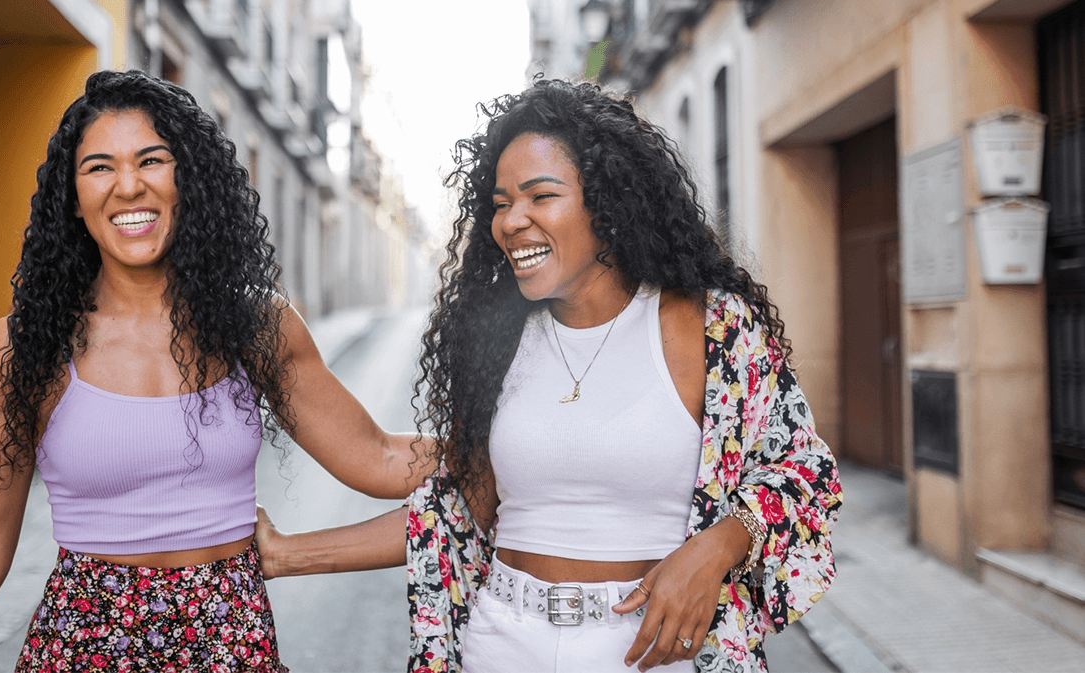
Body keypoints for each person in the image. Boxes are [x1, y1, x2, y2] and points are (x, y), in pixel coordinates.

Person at [255, 79, 842, 673]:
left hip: (655, 652)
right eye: (501, 202)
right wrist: (284, 555)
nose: (512, 221)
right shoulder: (499, 342)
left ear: (608, 204)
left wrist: (717, 548)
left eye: (541, 196)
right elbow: (455, 510)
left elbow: (804, 469)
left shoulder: (707, 324)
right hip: (503, 641)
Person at [0, 70, 434, 672]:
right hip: (81, 651)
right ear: (72, 195)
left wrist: (502, 444)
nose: (128, 186)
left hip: (230, 648)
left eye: (152, 160)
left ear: (188, 179)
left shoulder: (254, 324)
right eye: (99, 167)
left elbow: (380, 458)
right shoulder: (25, 348)